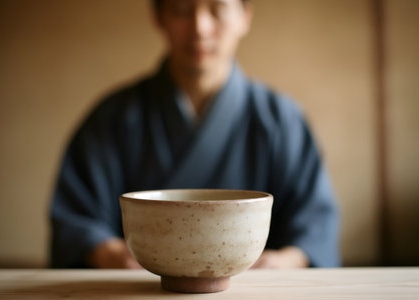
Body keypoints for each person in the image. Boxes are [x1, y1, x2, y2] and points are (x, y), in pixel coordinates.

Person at [50, 0, 340, 269]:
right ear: (158, 16)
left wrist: (282, 262)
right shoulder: (113, 118)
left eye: (217, 8)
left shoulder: (280, 120)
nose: (200, 27)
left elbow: (315, 224)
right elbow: (77, 220)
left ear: (245, 16)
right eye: (181, 8)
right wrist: (112, 255)